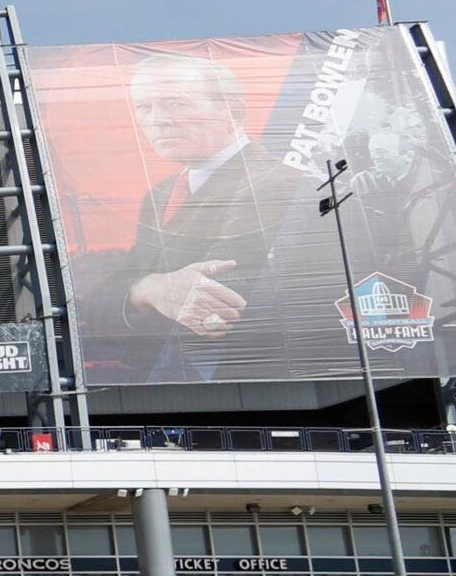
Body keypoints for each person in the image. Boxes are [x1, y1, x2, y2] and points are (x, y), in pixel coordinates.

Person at [73, 52, 303, 385]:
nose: (158, 120)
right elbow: (100, 306)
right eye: (144, 108)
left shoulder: (278, 184)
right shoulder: (160, 195)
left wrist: (147, 293)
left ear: (231, 110)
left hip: (240, 383)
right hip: (165, 384)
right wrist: (151, 289)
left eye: (175, 104)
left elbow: (219, 306)